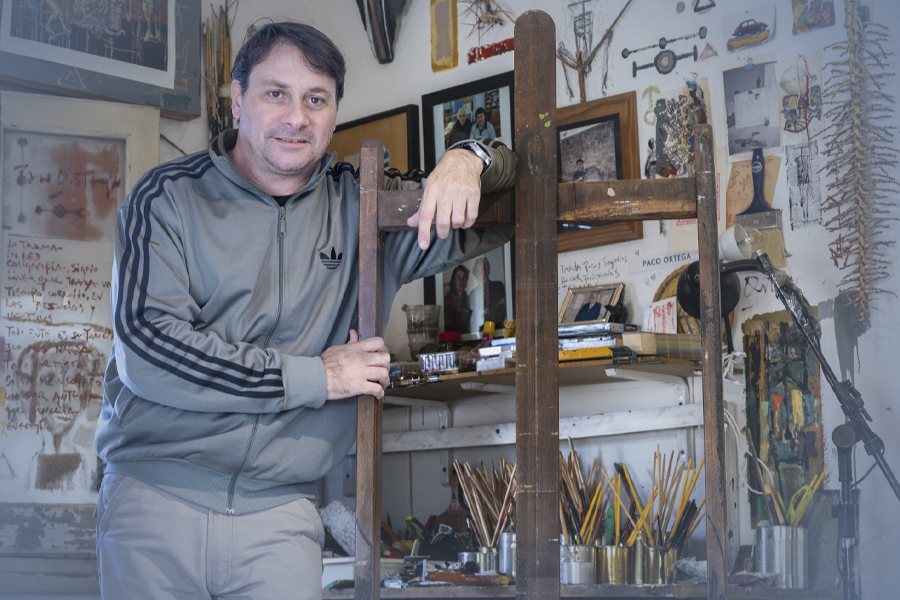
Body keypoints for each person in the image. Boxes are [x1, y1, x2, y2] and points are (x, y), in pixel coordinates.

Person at [94, 21, 516, 600]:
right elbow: (150, 351)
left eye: (316, 99)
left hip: (283, 517)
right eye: (276, 94)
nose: (297, 117)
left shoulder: (364, 206)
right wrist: (317, 376)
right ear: (237, 99)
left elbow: (508, 210)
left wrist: (469, 159)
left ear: (334, 113)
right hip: (156, 503)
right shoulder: (167, 198)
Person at [12, 341, 104, 492]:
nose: (62, 399)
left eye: (75, 380)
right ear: (31, 388)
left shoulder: (95, 471)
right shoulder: (24, 468)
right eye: (49, 380)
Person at [468, 256, 506, 332]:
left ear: (488, 271)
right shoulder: (473, 294)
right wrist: (495, 306)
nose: (481, 274)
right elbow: (475, 319)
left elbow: (502, 313)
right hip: (481, 333)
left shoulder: (498, 286)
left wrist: (485, 311)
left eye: (482, 269)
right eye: (477, 271)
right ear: (475, 274)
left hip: (499, 331)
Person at [443, 264, 472, 334]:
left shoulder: (469, 299)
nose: (461, 281)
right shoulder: (447, 300)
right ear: (453, 281)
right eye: (458, 278)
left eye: (464, 278)